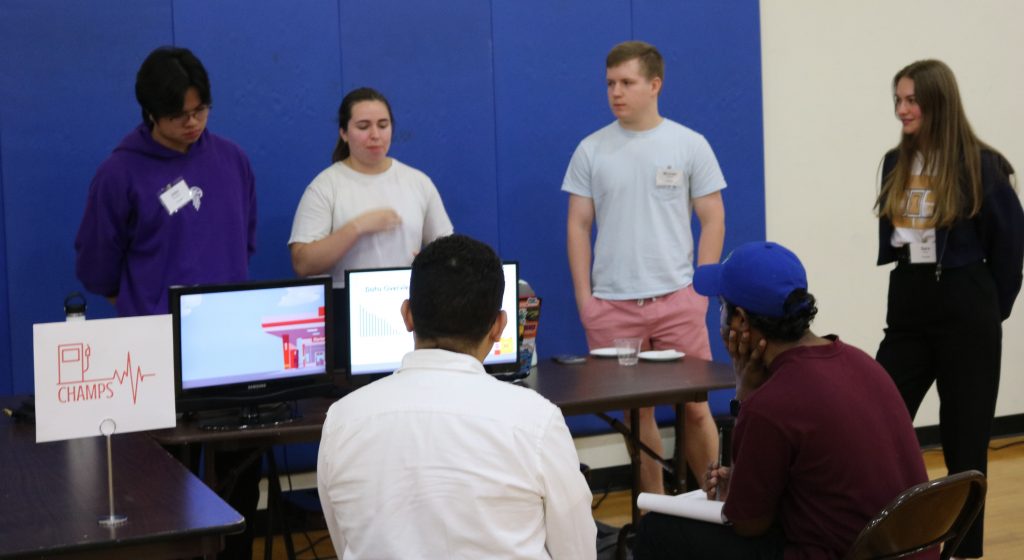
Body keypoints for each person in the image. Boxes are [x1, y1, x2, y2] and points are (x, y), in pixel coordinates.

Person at [633, 241, 933, 559]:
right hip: (908, 549)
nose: (718, 316)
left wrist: (745, 398)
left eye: (721, 306)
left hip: (844, 553)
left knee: (657, 530)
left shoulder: (771, 402)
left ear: (742, 323)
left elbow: (748, 524)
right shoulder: (861, 362)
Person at [74, 46, 259, 560]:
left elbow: (243, 240)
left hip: (229, 347)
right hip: (151, 353)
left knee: (239, 475)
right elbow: (96, 265)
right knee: (155, 487)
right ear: (151, 113)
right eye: (180, 115)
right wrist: (144, 301)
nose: (193, 123)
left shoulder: (232, 160)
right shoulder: (120, 174)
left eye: (201, 111)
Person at [317, 234, 597, 559]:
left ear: (407, 315)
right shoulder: (536, 421)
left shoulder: (342, 420)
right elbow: (577, 550)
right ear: (499, 325)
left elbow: (345, 542)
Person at [874, 59, 1024, 559]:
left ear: (939, 102)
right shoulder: (896, 162)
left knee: (966, 443)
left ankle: (964, 551)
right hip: (910, 311)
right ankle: (886, 539)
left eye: (911, 99)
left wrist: (985, 312)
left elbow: (1009, 252)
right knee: (878, 417)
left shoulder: (983, 165)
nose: (902, 109)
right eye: (897, 99)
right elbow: (897, 243)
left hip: (968, 311)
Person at [562, 40, 725, 493]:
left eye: (627, 82)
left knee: (694, 407)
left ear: (654, 85)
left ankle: (718, 508)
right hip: (612, 305)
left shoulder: (689, 144)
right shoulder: (591, 150)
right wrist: (584, 300)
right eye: (610, 83)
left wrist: (701, 290)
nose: (616, 91)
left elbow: (713, 217)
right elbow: (578, 226)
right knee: (637, 415)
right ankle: (653, 516)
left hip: (678, 299)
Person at [289, 86, 453, 368]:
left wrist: (430, 263)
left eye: (383, 125)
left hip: (409, 311)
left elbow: (450, 253)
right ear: (344, 132)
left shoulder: (417, 182)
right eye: (363, 126)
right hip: (346, 313)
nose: (375, 135)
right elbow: (303, 263)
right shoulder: (326, 187)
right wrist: (357, 227)